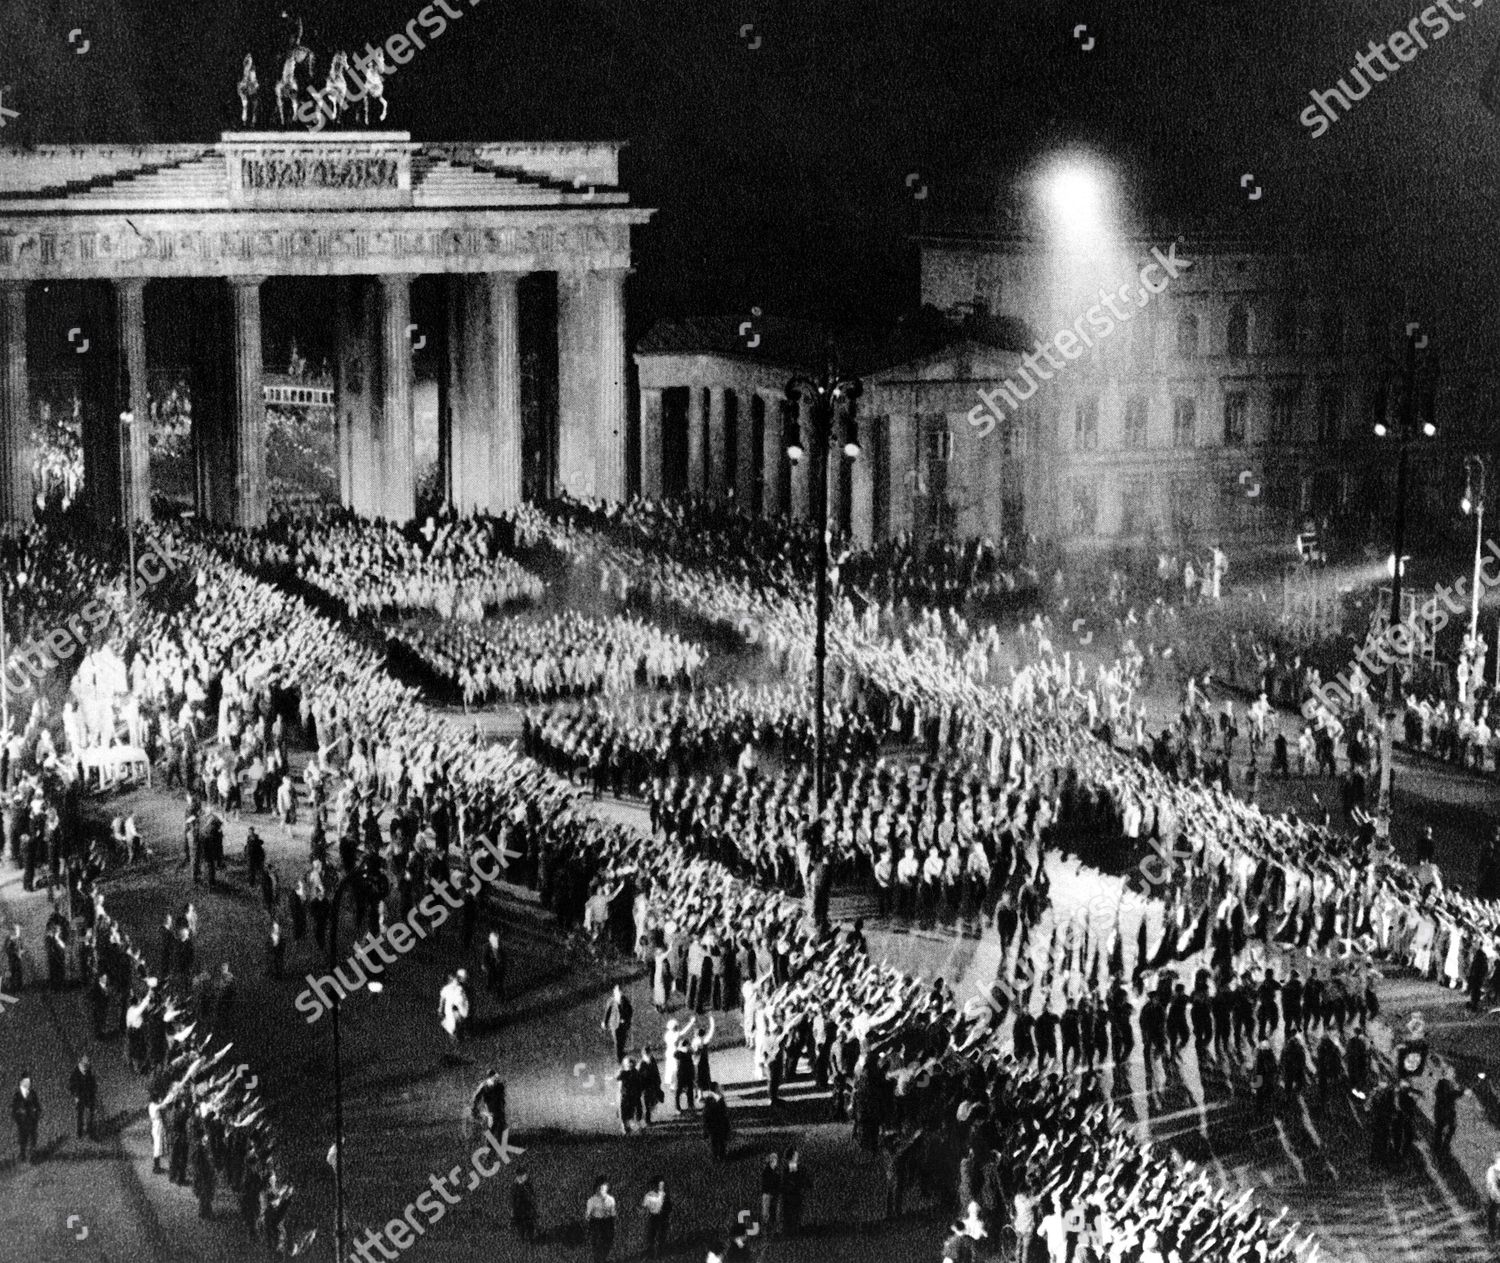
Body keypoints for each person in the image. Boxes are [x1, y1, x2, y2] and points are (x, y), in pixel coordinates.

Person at [1434, 1064, 1466, 1153]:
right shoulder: (1443, 1083)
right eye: (1452, 1072)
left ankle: (1441, 1147)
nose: (1454, 1074)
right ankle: (1440, 1147)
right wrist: (1462, 1092)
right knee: (1443, 1128)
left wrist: (1461, 1092)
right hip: (1444, 1110)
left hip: (1445, 1110)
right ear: (1446, 1073)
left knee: (1446, 1128)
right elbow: (1449, 1096)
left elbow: (1450, 1094)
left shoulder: (1446, 1083)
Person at [585, 1176, 617, 1263]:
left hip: (608, 1222)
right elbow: (587, 1215)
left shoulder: (611, 1199)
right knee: (597, 1243)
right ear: (596, 1188)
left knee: (608, 1241)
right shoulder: (592, 1200)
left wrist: (612, 1220)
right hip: (596, 1222)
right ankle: (598, 1260)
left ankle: (604, 1258)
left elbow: (613, 1213)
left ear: (607, 1188)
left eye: (603, 1188)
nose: (601, 1190)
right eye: (599, 1188)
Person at [12, 1072, 41, 1163]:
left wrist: (36, 1113)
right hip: (22, 1121)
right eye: (25, 1082)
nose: (27, 1084)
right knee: (23, 1140)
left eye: (29, 1082)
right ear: (21, 1082)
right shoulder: (17, 1095)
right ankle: (23, 1156)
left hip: (32, 1120)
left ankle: (32, 1157)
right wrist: (18, 1116)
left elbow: (38, 1106)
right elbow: (14, 1109)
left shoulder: (33, 1093)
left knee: (33, 1139)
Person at [68, 1055, 97, 1141]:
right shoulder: (76, 1073)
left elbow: (93, 1084)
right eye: (85, 1063)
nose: (86, 1066)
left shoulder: (89, 1072)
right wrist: (76, 1095)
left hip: (89, 1097)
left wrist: (93, 1092)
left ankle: (89, 1131)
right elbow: (71, 1086)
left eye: (87, 1064)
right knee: (80, 1116)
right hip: (81, 1097)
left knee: (90, 1115)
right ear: (81, 1063)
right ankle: (80, 1132)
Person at [640, 1177, 671, 1258]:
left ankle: (658, 1251)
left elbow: (669, 1207)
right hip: (654, 1217)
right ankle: (652, 1251)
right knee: (652, 1235)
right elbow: (644, 1206)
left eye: (662, 1185)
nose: (661, 1187)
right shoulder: (649, 1195)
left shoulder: (664, 1195)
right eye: (660, 1185)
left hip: (662, 1217)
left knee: (660, 1234)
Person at [471, 1070, 507, 1137]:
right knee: (491, 1128)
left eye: (497, 1076)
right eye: (495, 1076)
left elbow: (502, 1097)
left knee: (501, 1127)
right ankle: (490, 1144)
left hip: (499, 1109)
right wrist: (474, 1108)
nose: (497, 1077)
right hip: (490, 1109)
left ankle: (499, 1144)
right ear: (491, 1077)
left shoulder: (500, 1085)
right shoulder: (484, 1086)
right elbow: (476, 1098)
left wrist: (502, 1106)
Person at [602, 984, 633, 1064]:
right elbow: (607, 1012)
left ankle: (621, 1052)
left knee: (623, 1040)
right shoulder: (611, 1001)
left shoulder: (625, 1000)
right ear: (614, 992)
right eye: (617, 991)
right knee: (617, 1041)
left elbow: (630, 1010)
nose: (619, 993)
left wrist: (627, 1020)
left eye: (620, 991)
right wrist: (605, 1022)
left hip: (623, 1025)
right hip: (614, 1025)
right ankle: (619, 1058)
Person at [780, 1146, 806, 1236]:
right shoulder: (792, 1166)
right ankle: (793, 1230)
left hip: (789, 1194)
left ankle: (790, 1230)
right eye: (796, 1155)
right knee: (793, 1212)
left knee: (790, 1213)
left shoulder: (786, 1167)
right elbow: (794, 1179)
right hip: (792, 1194)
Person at [701, 1081, 730, 1160]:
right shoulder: (715, 1100)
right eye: (719, 1087)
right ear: (716, 1089)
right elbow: (724, 1113)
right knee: (717, 1141)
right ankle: (718, 1155)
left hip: (715, 1125)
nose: (721, 1089)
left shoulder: (712, 1099)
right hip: (716, 1125)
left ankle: (718, 1155)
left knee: (718, 1142)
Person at [511, 1167, 538, 1241]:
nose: (525, 1176)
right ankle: (522, 1238)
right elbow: (513, 1197)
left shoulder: (526, 1184)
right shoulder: (515, 1185)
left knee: (529, 1223)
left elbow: (531, 1194)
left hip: (527, 1207)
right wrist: (513, 1209)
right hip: (519, 1207)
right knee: (520, 1223)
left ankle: (530, 1238)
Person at [759, 1148, 781, 1234]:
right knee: (767, 1214)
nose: (777, 1162)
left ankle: (771, 1230)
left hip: (772, 1195)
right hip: (768, 1195)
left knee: (772, 1213)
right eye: (775, 1160)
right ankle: (766, 1231)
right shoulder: (767, 1172)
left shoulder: (773, 1172)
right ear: (772, 1161)